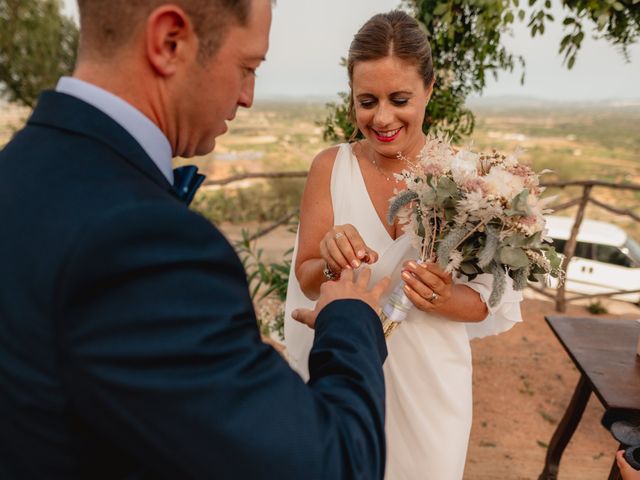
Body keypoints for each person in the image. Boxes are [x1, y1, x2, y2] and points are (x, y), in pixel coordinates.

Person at [0, 1, 392, 478]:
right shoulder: (139, 243)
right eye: (247, 67)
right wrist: (349, 314)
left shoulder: (15, 172)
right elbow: (336, 464)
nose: (248, 96)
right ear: (170, 41)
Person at [284, 10, 523, 480]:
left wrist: (442, 295)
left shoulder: (470, 178)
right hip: (344, 371)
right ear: (351, 98)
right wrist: (330, 260)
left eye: (400, 99)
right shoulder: (329, 168)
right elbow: (307, 278)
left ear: (429, 90)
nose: (383, 117)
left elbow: (487, 302)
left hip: (432, 382)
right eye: (367, 101)